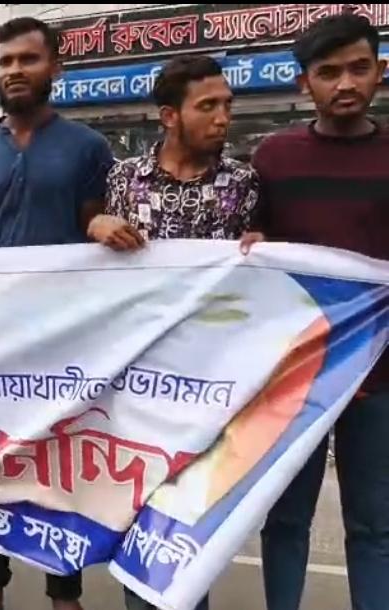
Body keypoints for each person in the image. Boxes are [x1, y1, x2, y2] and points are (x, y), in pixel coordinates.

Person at [0, 17, 115, 610]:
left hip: (63, 334)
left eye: (27, 59)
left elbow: (94, 235)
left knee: (57, 464)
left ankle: (63, 591)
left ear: (55, 69)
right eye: (5, 62)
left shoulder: (88, 147)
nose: (14, 70)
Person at [90, 54, 258, 610]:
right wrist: (97, 224)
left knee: (189, 514)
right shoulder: (124, 179)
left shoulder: (243, 184)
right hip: (137, 379)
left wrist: (263, 250)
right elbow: (94, 267)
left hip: (211, 380)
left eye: (227, 105)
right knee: (138, 504)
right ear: (169, 115)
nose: (222, 117)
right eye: (207, 106)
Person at [238, 14, 389, 610]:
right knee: (284, 518)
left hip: (379, 377)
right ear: (305, 83)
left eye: (358, 68)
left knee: (374, 526)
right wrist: (250, 244)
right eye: (328, 72)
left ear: (380, 71)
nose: (344, 83)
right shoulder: (274, 158)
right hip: (294, 375)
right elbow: (252, 245)